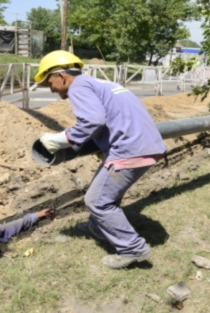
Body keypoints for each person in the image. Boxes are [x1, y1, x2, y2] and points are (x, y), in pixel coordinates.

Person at [34, 50, 166, 269]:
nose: (52, 90)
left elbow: (93, 120)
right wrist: (102, 143)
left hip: (129, 150)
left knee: (97, 201)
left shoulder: (78, 87)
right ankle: (97, 229)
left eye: (50, 83)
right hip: (148, 146)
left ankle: (132, 248)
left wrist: (60, 139)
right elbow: (114, 117)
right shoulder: (102, 84)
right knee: (103, 193)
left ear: (62, 76)